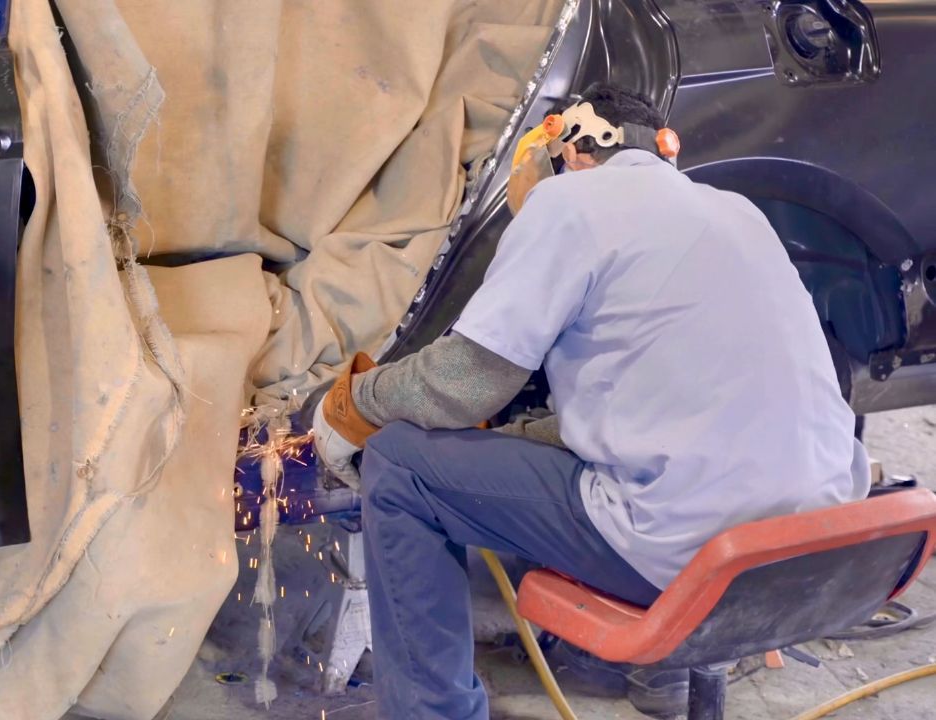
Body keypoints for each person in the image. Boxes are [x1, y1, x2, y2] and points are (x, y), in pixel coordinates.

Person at [306, 83, 871, 719]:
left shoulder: (568, 201)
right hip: (828, 548)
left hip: (697, 554)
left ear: (571, 150)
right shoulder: (737, 212)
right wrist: (512, 444)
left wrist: (356, 401)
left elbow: (463, 385)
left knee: (402, 465)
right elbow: (656, 405)